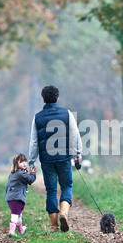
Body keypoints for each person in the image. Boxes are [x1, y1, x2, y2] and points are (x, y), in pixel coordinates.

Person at [28, 85, 82, 232]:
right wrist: (77, 153)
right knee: (66, 186)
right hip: (64, 158)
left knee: (51, 190)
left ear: (43, 99)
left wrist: (31, 161)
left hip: (47, 160)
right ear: (57, 99)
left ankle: (54, 225)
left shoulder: (37, 118)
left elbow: (34, 141)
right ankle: (64, 213)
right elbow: (74, 134)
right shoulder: (67, 114)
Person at [5, 153, 36, 237]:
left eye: (25, 161)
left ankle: (21, 230)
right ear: (16, 164)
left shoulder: (13, 174)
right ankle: (11, 231)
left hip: (11, 197)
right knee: (15, 215)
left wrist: (7, 196)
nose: (25, 163)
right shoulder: (20, 174)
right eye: (22, 162)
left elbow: (7, 186)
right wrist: (33, 173)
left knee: (19, 215)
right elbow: (30, 180)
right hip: (16, 198)